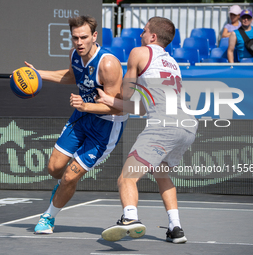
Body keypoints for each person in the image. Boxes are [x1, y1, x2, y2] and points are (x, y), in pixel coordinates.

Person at [21, 15, 127, 234]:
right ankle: (64, 187)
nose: (79, 42)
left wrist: (86, 106)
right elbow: (72, 75)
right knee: (54, 169)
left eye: (84, 37)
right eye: (75, 38)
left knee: (70, 175)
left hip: (106, 126)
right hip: (81, 116)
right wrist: (37, 74)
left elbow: (119, 107)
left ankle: (49, 217)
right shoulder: (74, 55)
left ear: (94, 36)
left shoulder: (108, 64)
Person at [96, 17, 198, 244]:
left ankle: (130, 218)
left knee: (126, 178)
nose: (140, 35)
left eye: (143, 31)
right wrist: (111, 101)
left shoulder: (139, 52)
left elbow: (127, 94)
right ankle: (176, 227)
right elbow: (140, 107)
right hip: (187, 126)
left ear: (152, 37)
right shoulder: (172, 63)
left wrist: (108, 96)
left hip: (163, 126)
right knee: (162, 173)